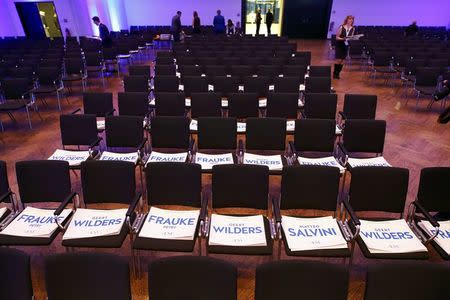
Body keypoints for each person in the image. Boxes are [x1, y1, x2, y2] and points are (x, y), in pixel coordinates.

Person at [333, 15, 355, 79]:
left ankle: (338, 74)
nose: (350, 20)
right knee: (339, 60)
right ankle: (335, 73)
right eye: (349, 19)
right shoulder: (341, 27)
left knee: (342, 61)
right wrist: (343, 39)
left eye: (352, 19)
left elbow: (351, 37)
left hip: (346, 45)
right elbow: (337, 37)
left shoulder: (353, 28)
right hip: (340, 45)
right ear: (347, 20)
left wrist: (352, 38)